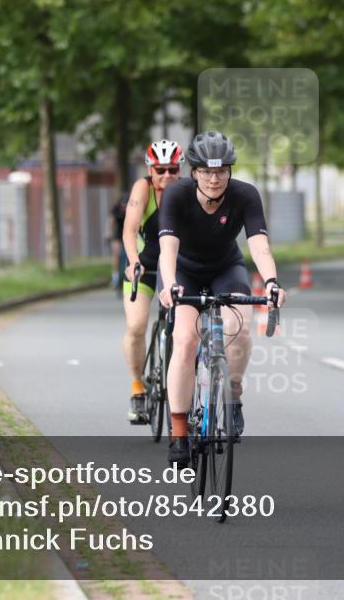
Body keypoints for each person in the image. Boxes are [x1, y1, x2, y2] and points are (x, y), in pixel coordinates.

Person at [158, 132, 286, 467]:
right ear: (194, 172)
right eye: (206, 172)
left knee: (240, 330)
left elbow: (259, 244)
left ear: (230, 171)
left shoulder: (245, 195)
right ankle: (179, 431)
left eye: (222, 171)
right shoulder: (175, 194)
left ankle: (233, 394)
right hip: (183, 271)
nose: (214, 179)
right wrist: (170, 284)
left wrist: (272, 282)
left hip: (226, 268)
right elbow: (168, 249)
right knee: (185, 340)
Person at [122, 140, 183, 423]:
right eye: (161, 170)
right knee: (136, 326)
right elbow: (129, 230)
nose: (167, 176)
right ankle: (137, 387)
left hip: (179, 266)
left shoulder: (189, 190)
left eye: (173, 169)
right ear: (151, 169)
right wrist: (133, 261)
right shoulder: (142, 189)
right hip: (145, 265)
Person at [108, 192, 130, 292]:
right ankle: (115, 276)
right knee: (116, 252)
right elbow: (111, 222)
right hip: (118, 233)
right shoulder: (116, 210)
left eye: (126, 205)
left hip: (129, 233)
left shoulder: (133, 210)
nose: (124, 208)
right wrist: (108, 233)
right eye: (123, 205)